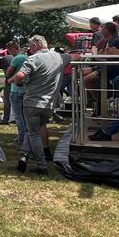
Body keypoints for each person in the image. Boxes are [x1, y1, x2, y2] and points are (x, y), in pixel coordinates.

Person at [13, 35, 74, 174]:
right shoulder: (60, 57)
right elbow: (75, 57)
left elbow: (20, 76)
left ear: (35, 45)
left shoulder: (33, 58)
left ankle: (42, 166)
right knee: (32, 130)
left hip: (32, 103)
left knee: (33, 133)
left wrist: (16, 81)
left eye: (30, 46)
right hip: (49, 104)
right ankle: (23, 154)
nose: (29, 49)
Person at [6, 42, 29, 154]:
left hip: (16, 89)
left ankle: (21, 138)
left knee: (18, 116)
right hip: (26, 89)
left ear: (13, 48)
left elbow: (9, 72)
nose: (9, 53)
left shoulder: (16, 59)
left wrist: (8, 78)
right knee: (25, 116)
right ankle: (26, 138)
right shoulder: (27, 57)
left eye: (10, 50)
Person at [0, 41, 18, 124]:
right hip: (19, 82)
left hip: (10, 82)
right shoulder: (22, 57)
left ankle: (6, 119)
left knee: (7, 102)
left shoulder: (6, 58)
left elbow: (6, 72)